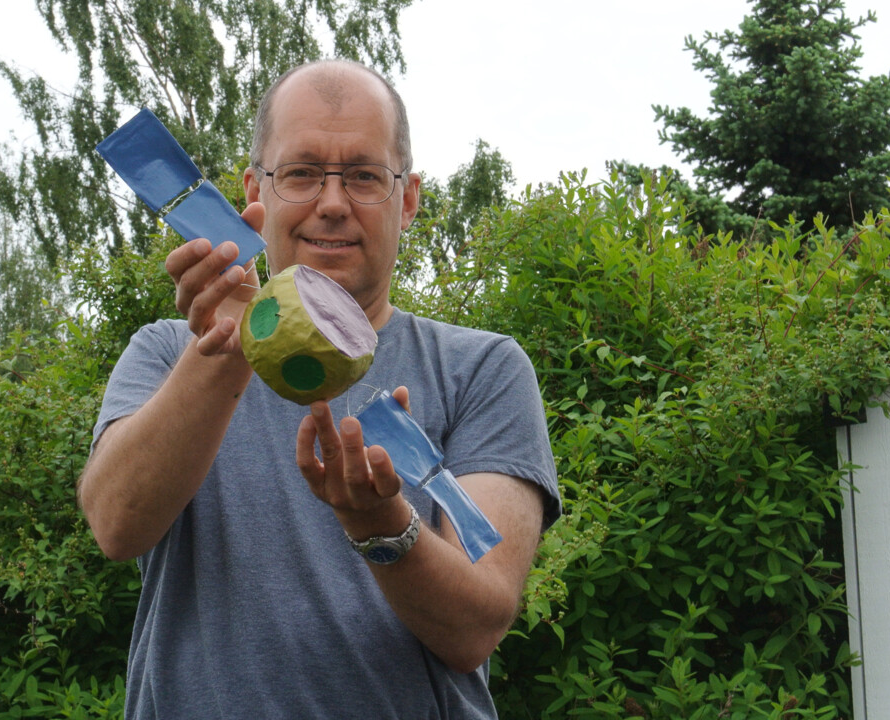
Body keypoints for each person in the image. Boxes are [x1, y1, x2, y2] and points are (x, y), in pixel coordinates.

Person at [79, 58, 561, 719]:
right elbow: (115, 525)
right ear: (256, 190)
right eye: (302, 173)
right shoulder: (170, 353)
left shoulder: (481, 369)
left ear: (408, 199)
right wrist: (228, 350)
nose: (331, 204)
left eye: (364, 176)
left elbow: (476, 625)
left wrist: (379, 524)